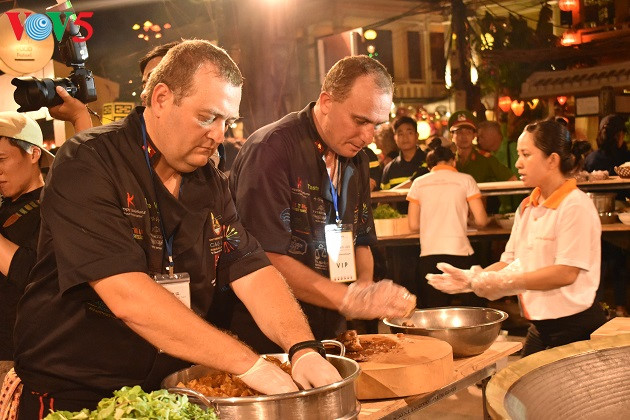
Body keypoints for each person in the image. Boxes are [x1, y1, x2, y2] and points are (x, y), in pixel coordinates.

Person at [11, 40, 341, 417]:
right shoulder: (89, 160)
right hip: (77, 391)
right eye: (207, 117)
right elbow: (128, 296)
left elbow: (250, 268)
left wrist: (302, 348)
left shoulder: (209, 181)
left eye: (227, 121)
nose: (219, 135)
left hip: (168, 388)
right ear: (162, 98)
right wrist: (249, 365)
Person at [229, 55, 417, 353]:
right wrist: (347, 299)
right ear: (327, 102)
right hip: (269, 330)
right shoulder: (272, 149)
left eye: (376, 125)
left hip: (331, 322)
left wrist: (364, 288)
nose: (368, 137)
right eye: (360, 121)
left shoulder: (357, 159)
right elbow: (263, 257)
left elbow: (361, 239)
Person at [428, 119, 607, 356]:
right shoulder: (527, 207)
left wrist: (507, 283)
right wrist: (474, 279)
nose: (517, 163)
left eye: (526, 154)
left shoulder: (575, 205)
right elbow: (511, 261)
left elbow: (565, 273)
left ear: (552, 160)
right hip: (540, 326)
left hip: (576, 327)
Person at [407, 138, 488, 308]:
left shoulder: (418, 183)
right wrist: (467, 221)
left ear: (430, 166)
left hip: (429, 255)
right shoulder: (466, 179)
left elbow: (413, 225)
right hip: (461, 253)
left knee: (434, 312)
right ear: (453, 161)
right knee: (471, 311)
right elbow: (481, 220)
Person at [0, 112, 55, 363]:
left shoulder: (52, 206)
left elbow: (34, 273)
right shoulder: (4, 205)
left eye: (2, 159)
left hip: (21, 357)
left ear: (33, 154)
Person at [584, 114, 630, 317]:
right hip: (620, 216)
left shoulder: (592, 158)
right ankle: (620, 307)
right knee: (619, 262)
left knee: (598, 264)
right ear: (619, 135)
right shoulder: (624, 158)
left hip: (594, 213)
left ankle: (598, 309)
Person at [380, 116, 428, 191]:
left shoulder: (429, 161)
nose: (405, 138)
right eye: (400, 134)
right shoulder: (389, 169)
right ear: (395, 138)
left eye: (409, 133)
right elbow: (385, 197)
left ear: (417, 136)